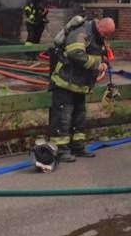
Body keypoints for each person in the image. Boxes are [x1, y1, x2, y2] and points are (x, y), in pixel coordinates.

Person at [49, 15, 115, 162]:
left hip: (80, 85)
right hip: (65, 83)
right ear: (101, 27)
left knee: (79, 117)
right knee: (63, 118)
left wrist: (103, 61)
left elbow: (98, 53)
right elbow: (75, 53)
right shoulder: (82, 32)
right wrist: (98, 63)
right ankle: (61, 150)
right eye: (105, 33)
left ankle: (77, 147)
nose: (106, 37)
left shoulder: (98, 36)